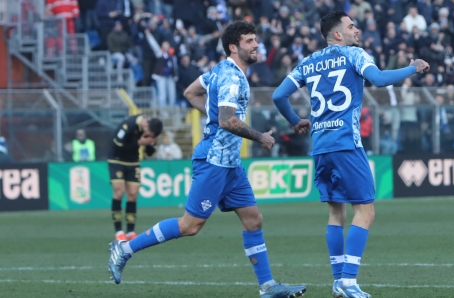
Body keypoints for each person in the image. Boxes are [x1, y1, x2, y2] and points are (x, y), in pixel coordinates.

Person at [107, 21, 307, 298]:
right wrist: (260, 137)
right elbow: (226, 120)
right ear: (233, 47)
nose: (256, 45)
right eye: (249, 41)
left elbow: (191, 93)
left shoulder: (220, 70)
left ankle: (268, 286)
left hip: (230, 163)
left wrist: (213, 115)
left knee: (253, 220)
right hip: (214, 159)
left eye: (255, 40)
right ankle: (125, 249)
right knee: (190, 226)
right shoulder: (231, 77)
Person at [272, 11, 430, 298]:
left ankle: (338, 281)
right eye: (351, 26)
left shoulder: (308, 62)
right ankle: (348, 282)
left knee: (336, 213)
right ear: (337, 34)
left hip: (320, 145)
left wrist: (296, 121)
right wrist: (412, 68)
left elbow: (278, 96)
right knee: (366, 212)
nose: (357, 30)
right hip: (346, 142)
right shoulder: (353, 55)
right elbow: (380, 80)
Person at [108, 115, 163, 241]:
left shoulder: (147, 130)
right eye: (149, 133)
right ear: (146, 125)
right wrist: (138, 143)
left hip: (133, 161)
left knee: (133, 194)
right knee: (119, 191)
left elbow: (150, 153)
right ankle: (118, 232)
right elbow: (117, 145)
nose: (147, 134)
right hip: (116, 159)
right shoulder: (128, 125)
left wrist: (149, 143)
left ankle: (130, 232)